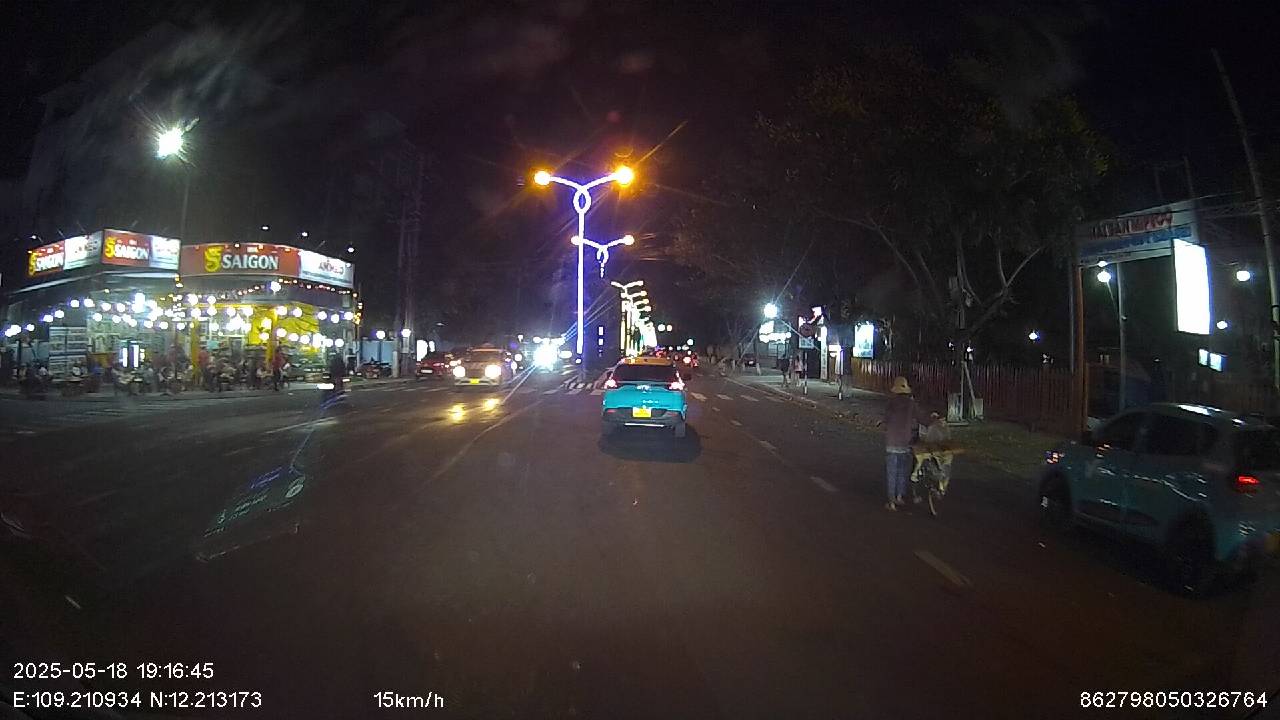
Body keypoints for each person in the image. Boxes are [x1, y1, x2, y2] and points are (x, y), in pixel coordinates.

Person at [881, 376, 937, 511]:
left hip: (891, 443)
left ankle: (891, 502)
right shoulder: (911, 404)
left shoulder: (890, 403)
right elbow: (923, 419)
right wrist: (933, 419)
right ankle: (899, 497)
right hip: (905, 443)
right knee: (902, 471)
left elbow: (886, 420)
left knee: (892, 473)